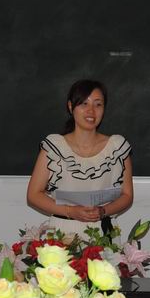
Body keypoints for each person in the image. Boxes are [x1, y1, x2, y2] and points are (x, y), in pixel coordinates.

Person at [27, 79, 134, 237]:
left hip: (103, 233)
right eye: (84, 104)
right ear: (71, 107)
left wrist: (103, 211)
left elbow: (127, 195)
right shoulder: (54, 146)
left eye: (98, 104)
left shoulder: (117, 147)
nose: (91, 111)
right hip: (62, 233)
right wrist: (70, 211)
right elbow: (33, 195)